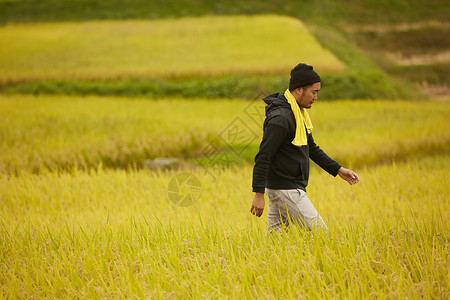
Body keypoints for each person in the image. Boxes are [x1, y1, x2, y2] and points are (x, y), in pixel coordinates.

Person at [250, 63, 359, 232]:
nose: (316, 97)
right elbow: (264, 155)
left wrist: (338, 170)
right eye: (314, 92)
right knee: (321, 235)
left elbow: (312, 149)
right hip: (287, 189)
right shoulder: (281, 119)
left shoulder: (297, 113)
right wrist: (258, 194)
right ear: (298, 90)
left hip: (282, 187)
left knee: (277, 243)